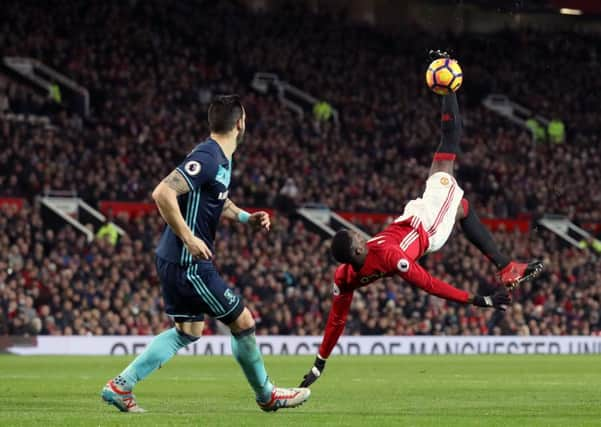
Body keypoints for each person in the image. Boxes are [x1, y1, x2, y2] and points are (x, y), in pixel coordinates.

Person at [299, 52, 544, 388]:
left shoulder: (344, 276)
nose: (359, 234)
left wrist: (318, 365)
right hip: (428, 227)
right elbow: (430, 284)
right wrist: (479, 300)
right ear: (357, 245)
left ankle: (506, 266)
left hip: (414, 214)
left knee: (460, 198)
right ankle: (449, 90)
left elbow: (336, 319)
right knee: (448, 155)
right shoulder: (390, 257)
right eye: (356, 236)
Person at [101, 95, 310, 412]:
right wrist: (188, 237)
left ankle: (120, 386)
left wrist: (244, 217)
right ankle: (267, 395)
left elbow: (218, 199)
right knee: (243, 322)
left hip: (174, 258)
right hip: (188, 262)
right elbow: (163, 192)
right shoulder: (209, 156)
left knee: (188, 331)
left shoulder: (220, 159)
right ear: (240, 123)